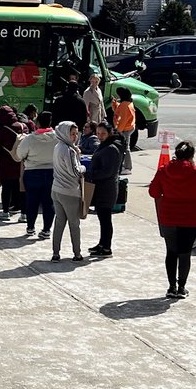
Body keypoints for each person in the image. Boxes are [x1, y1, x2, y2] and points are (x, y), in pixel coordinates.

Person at [149, 140, 196, 298]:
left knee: (171, 252)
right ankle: (181, 288)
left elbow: (154, 192)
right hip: (190, 218)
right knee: (185, 253)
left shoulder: (164, 170)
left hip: (168, 218)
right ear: (192, 156)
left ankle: (171, 287)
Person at [85, 123, 125, 257]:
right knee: (103, 219)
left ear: (109, 133)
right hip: (102, 188)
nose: (100, 136)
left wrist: (90, 174)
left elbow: (108, 171)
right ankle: (102, 244)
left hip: (107, 189)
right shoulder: (105, 146)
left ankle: (106, 247)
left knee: (106, 220)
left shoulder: (111, 149)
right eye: (98, 133)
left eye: (103, 133)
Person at [49, 120, 85, 263]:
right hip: (69, 192)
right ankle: (77, 254)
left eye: (76, 134)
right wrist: (84, 167)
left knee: (59, 223)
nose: (75, 137)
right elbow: (75, 172)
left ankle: (55, 253)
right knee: (74, 224)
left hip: (56, 189)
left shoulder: (58, 146)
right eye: (72, 134)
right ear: (65, 134)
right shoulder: (69, 150)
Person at [13, 120, 54, 239]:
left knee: (31, 201)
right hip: (52, 172)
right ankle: (46, 230)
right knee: (49, 203)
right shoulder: (58, 138)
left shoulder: (30, 139)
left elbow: (19, 155)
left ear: (38, 124)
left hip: (32, 172)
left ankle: (30, 227)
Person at [0, 105, 26, 221]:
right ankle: (23, 213)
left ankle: (5, 212)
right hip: (21, 164)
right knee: (21, 188)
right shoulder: (23, 126)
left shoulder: (2, 130)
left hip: (6, 164)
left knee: (6, 189)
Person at [112, 87, 136, 171]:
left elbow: (123, 119)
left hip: (125, 129)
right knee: (124, 147)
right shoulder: (128, 103)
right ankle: (126, 166)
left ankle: (127, 167)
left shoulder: (124, 105)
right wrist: (115, 104)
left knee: (126, 148)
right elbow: (119, 109)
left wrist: (118, 130)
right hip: (129, 127)